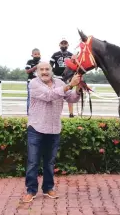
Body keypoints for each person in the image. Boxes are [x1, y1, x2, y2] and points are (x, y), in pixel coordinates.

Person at [22, 62, 81, 203]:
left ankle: (48, 188)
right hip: (36, 128)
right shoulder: (34, 84)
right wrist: (70, 85)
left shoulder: (59, 82)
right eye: (41, 69)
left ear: (51, 70)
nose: (44, 72)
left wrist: (78, 88)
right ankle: (31, 190)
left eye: (47, 69)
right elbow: (49, 96)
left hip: (54, 129)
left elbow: (72, 98)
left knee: (49, 162)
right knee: (33, 162)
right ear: (37, 71)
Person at [50, 38, 75, 117]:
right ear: (59, 45)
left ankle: (71, 113)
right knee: (57, 94)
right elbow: (50, 65)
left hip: (68, 77)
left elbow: (75, 66)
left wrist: (73, 76)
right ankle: (55, 113)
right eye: (62, 43)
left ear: (68, 45)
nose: (64, 45)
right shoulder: (55, 54)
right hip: (57, 77)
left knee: (69, 95)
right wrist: (52, 73)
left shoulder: (71, 55)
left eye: (65, 43)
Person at [25, 48, 41, 114]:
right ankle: (29, 113)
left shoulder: (41, 63)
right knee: (30, 97)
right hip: (31, 82)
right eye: (35, 54)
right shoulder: (29, 62)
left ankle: (37, 112)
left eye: (38, 54)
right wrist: (35, 67)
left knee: (39, 98)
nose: (37, 55)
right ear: (32, 55)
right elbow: (27, 71)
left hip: (39, 83)